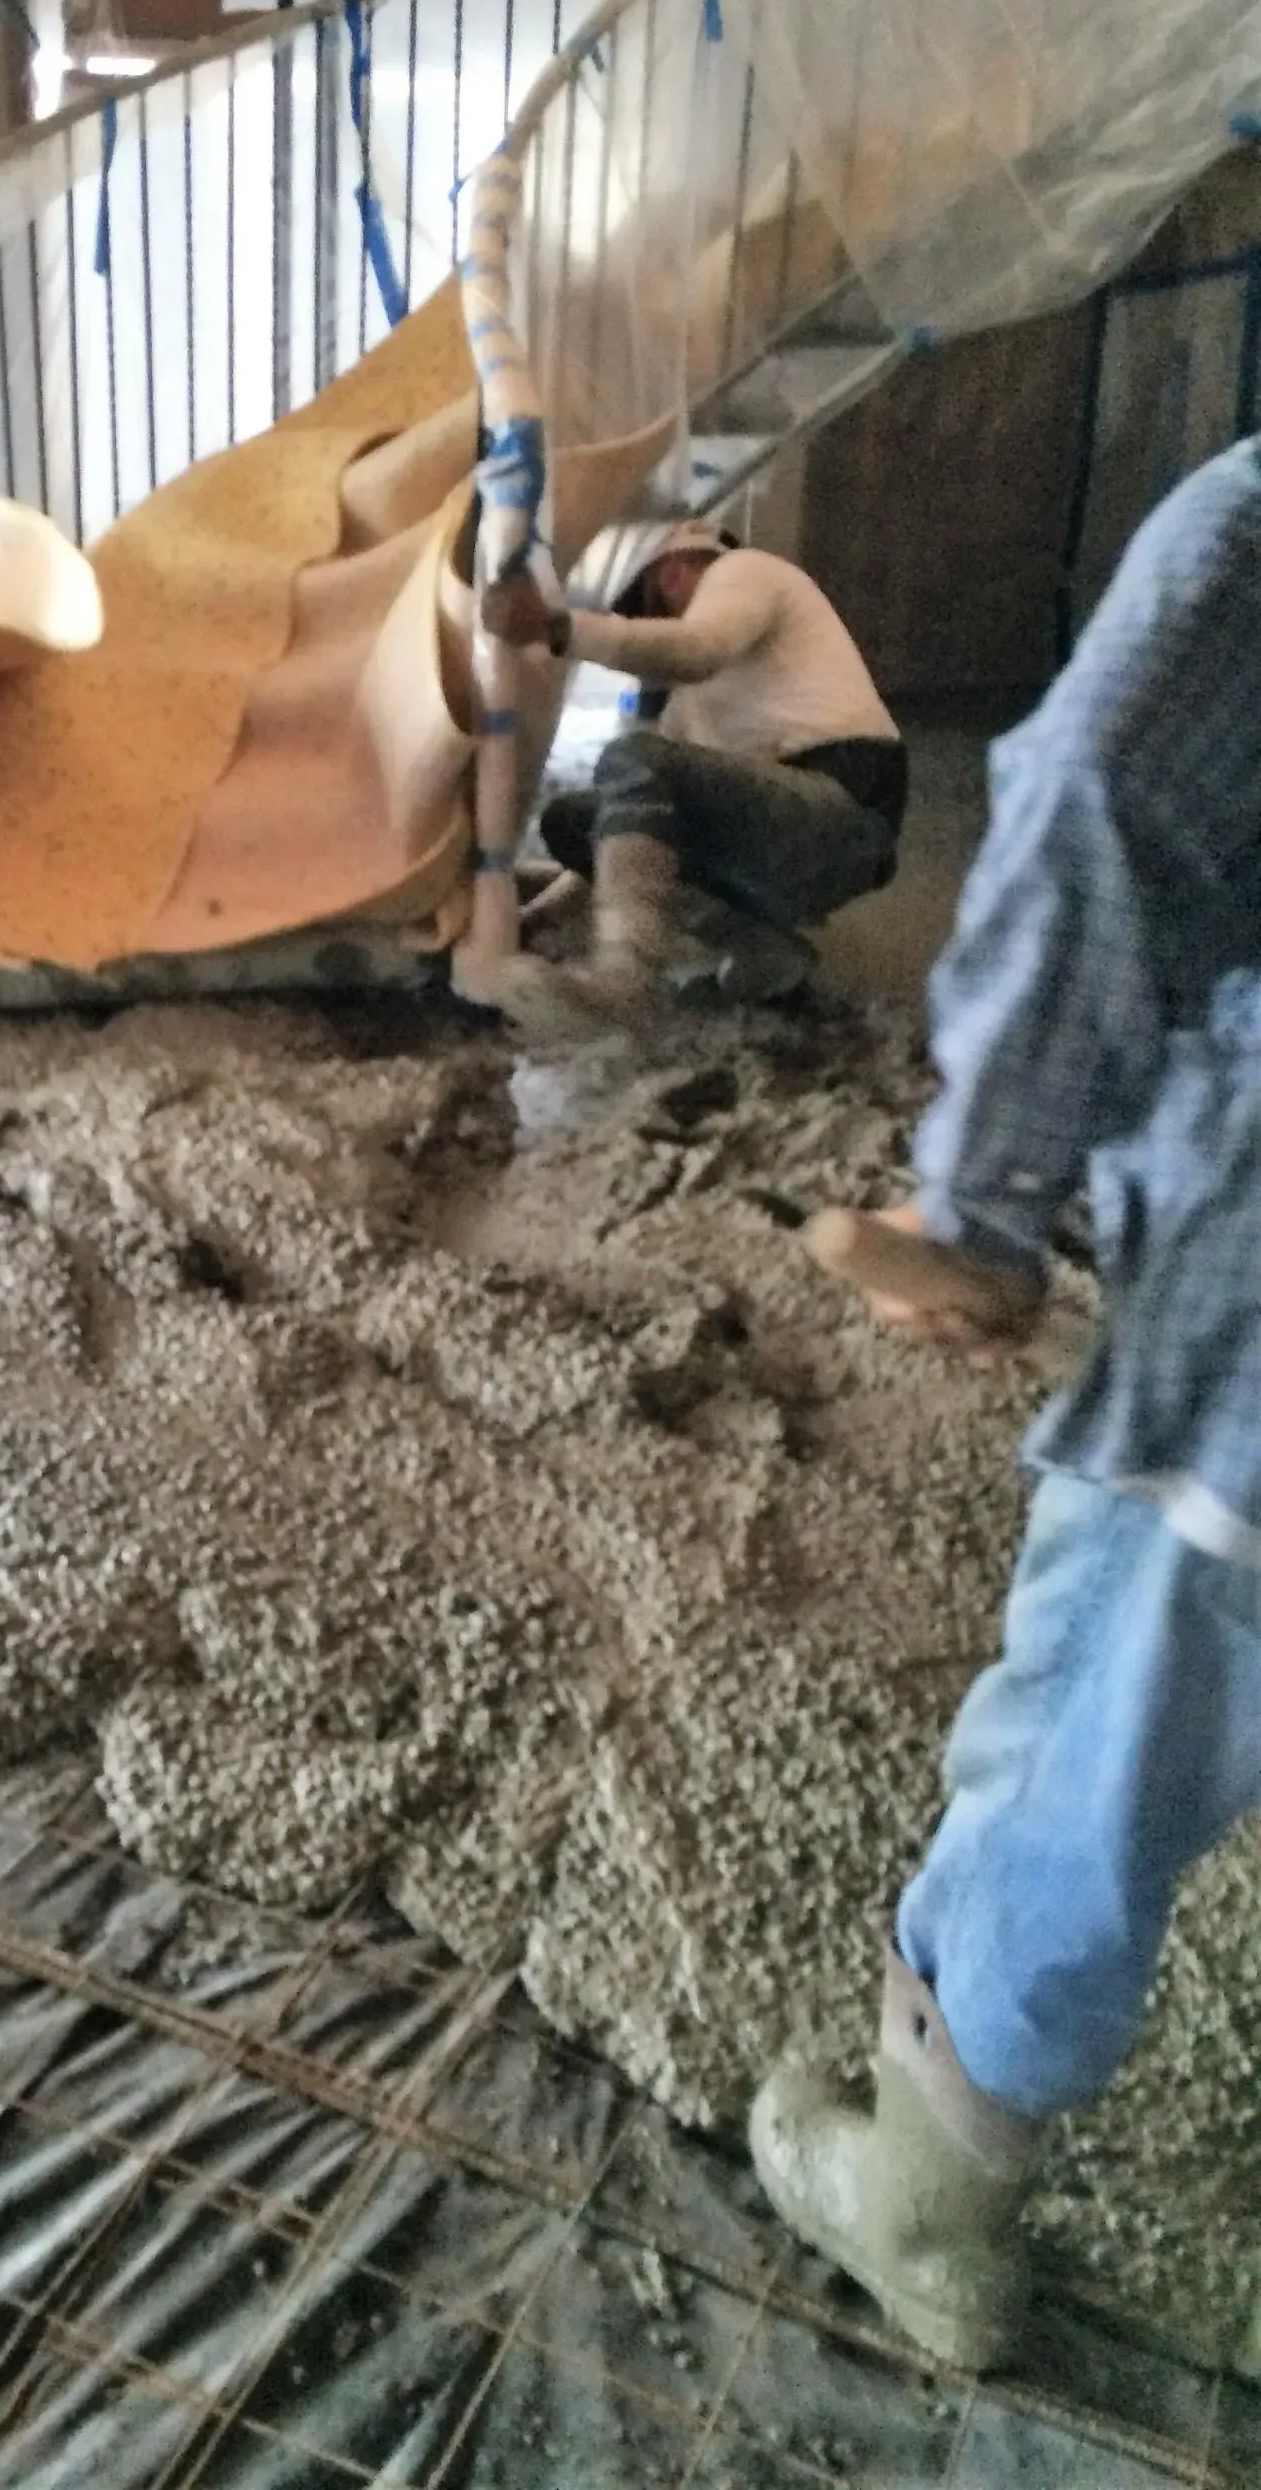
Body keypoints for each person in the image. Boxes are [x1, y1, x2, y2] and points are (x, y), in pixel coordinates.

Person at [747, 435, 1261, 2373]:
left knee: (1104, 1696)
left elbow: (1102, 804)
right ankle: (921, 2006)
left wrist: (982, 1207)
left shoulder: (1246, 539)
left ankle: (942, 2198)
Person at [484, 522, 906, 1009]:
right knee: (573, 820)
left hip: (844, 805)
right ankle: (762, 948)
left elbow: (695, 650)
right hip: (788, 832)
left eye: (644, 611)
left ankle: (625, 983)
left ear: (673, 574)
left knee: (634, 753)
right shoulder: (688, 709)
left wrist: (559, 627)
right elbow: (635, 823)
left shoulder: (747, 571)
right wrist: (535, 917)